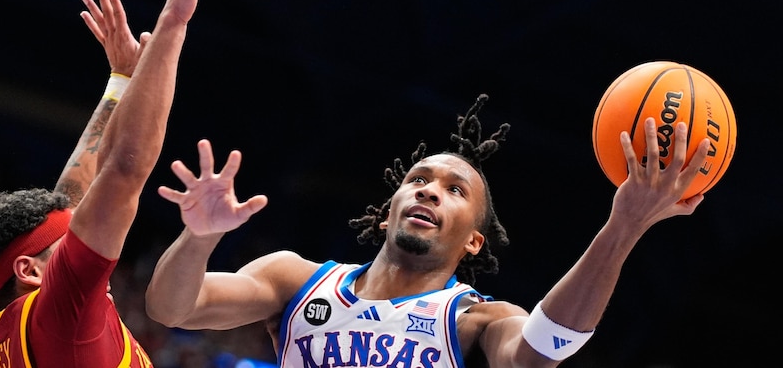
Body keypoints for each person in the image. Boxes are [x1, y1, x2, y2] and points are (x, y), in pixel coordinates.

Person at [144, 93, 712, 367]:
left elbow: (544, 350)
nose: (429, 190)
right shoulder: (294, 280)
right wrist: (200, 237)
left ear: (473, 241)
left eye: (455, 190)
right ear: (388, 209)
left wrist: (624, 226)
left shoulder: (475, 321)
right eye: (418, 180)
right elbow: (172, 308)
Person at [0, 0, 199, 367]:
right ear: (29, 270)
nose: (81, 237)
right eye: (65, 245)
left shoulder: (34, 325)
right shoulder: (61, 318)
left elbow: (74, 197)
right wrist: (173, 24)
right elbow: (123, 171)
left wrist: (122, 80)